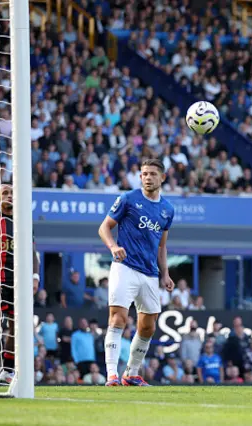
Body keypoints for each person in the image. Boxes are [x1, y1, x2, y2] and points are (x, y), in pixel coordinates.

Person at [98, 159, 175, 386]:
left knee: (148, 325)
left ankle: (131, 373)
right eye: (144, 174)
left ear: (163, 178)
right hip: (125, 267)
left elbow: (162, 245)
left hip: (150, 273)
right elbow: (104, 227)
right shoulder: (128, 199)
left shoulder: (167, 210)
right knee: (118, 318)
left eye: (152, 174)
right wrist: (113, 247)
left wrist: (166, 273)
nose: (147, 177)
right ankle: (111, 373)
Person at [0, 184, 40, 384]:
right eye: (5, 193)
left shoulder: (24, 222)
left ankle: (7, 370)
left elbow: (32, 251)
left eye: (13, 193)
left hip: (18, 283)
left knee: (17, 326)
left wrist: (35, 277)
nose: (10, 196)